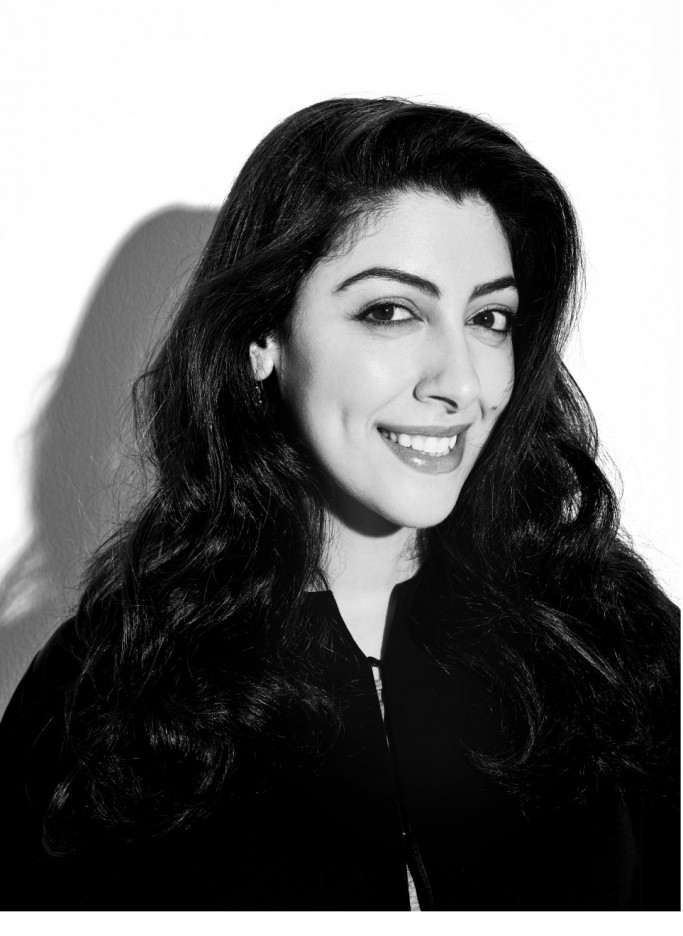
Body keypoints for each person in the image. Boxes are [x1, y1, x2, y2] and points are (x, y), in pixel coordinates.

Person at [0, 98, 679, 910]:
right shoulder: (110, 687)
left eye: (489, 318)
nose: (461, 383)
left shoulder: (611, 640)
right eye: (390, 312)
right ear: (263, 338)